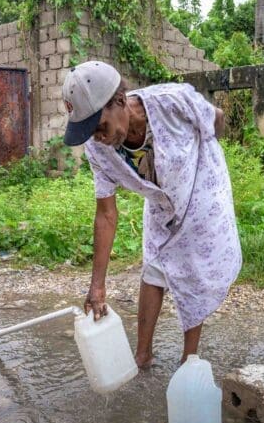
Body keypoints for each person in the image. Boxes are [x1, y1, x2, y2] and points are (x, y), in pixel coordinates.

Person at [62, 60, 242, 367]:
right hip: (162, 206)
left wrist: (204, 155)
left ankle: (189, 361)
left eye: (101, 127)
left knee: (194, 273)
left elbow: (217, 119)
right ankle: (142, 355)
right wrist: (97, 286)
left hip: (200, 197)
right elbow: (106, 214)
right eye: (91, 133)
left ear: (119, 101)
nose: (100, 138)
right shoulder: (99, 150)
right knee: (154, 268)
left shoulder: (172, 102)